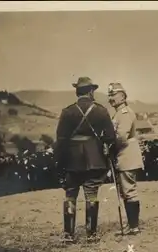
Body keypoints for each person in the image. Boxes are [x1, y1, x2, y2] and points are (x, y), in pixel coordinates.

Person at [54, 77, 117, 243]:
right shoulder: (101, 111)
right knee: (91, 194)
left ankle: (69, 234)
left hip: (71, 159)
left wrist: (59, 163)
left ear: (77, 92)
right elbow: (111, 137)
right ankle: (91, 233)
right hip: (94, 158)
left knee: (70, 195)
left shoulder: (67, 112)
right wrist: (104, 147)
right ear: (91, 91)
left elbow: (60, 140)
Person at [108, 82, 145, 235]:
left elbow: (121, 137)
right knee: (126, 191)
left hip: (126, 155)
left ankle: (134, 226)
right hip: (123, 156)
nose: (110, 98)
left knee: (129, 191)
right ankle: (131, 225)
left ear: (122, 96)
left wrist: (109, 148)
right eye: (109, 95)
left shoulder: (124, 113)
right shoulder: (118, 113)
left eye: (113, 94)